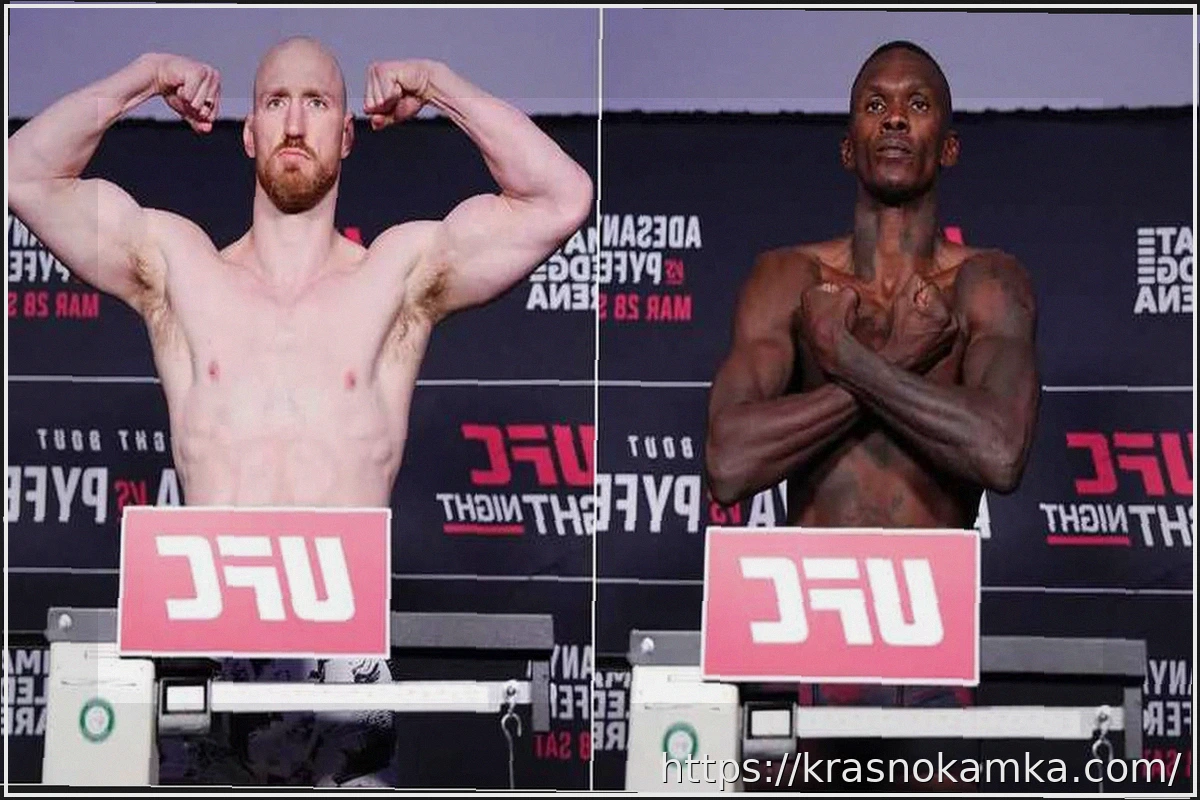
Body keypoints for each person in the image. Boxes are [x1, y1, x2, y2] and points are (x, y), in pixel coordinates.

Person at [8, 36, 592, 786]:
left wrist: (438, 84)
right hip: (203, 660)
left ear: (346, 136)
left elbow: (562, 197)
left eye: (316, 103)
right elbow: (24, 173)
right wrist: (142, 77)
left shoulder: (397, 277)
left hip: (343, 670)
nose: (293, 124)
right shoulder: (178, 269)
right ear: (248, 133)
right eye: (274, 102)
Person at [704, 41, 1039, 791]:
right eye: (875, 104)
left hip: (929, 645)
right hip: (800, 639)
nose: (893, 119)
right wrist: (897, 361)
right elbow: (728, 463)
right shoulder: (787, 278)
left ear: (948, 147)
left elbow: (1000, 451)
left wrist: (849, 359)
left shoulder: (989, 283)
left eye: (916, 104)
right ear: (847, 144)